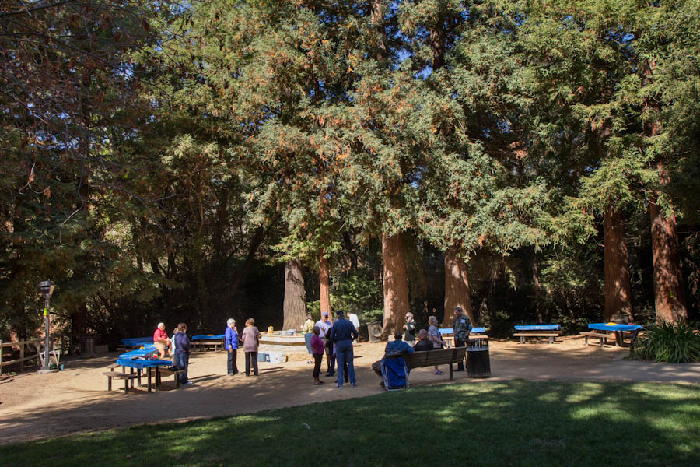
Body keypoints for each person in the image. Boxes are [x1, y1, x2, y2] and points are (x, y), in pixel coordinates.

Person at [328, 310, 358, 388]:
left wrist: (335, 341)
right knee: (350, 363)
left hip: (339, 344)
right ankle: (353, 382)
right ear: (343, 315)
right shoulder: (349, 323)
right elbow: (356, 334)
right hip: (348, 343)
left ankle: (340, 383)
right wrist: (352, 339)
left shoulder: (336, 323)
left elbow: (331, 336)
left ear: (338, 315)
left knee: (340, 364)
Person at [452, 306, 472, 371]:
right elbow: (454, 327)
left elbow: (470, 327)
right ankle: (460, 367)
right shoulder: (455, 318)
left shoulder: (466, 318)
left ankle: (469, 365)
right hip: (457, 338)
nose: (456, 314)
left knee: (465, 352)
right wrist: (454, 334)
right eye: (455, 312)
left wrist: (466, 334)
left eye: (457, 312)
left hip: (463, 338)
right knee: (458, 352)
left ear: (460, 311)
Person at [316, 312, 335, 376]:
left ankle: (329, 368)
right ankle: (318, 369)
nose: (326, 318)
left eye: (327, 317)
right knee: (319, 355)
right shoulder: (318, 323)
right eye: (325, 317)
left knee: (328, 354)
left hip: (327, 340)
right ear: (322, 316)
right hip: (320, 340)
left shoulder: (329, 323)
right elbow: (315, 331)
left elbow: (332, 331)